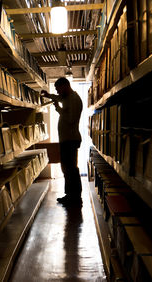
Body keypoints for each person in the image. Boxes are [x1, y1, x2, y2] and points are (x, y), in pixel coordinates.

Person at [41, 77, 83, 205]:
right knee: (67, 168)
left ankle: (75, 197)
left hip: (70, 139)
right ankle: (70, 195)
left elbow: (71, 120)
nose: (57, 92)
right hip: (67, 139)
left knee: (71, 169)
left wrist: (58, 109)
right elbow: (59, 98)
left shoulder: (74, 99)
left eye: (58, 89)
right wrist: (49, 96)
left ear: (65, 86)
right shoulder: (68, 97)